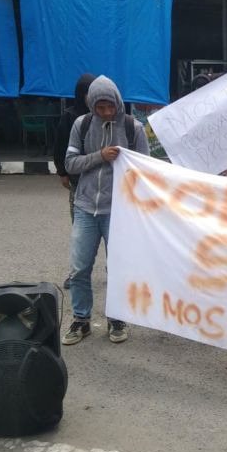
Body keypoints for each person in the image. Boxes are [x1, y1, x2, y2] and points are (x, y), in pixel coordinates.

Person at [63, 75, 150, 345]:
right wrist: (100, 156)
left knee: (118, 268)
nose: (105, 112)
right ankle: (81, 320)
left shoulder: (132, 126)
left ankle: (117, 319)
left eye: (109, 106)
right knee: (79, 268)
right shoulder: (83, 123)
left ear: (117, 102)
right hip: (86, 206)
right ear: (91, 105)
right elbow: (70, 163)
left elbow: (146, 169)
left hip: (118, 211)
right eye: (100, 107)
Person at [53, 73, 96, 289]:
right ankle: (77, 273)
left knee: (112, 231)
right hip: (79, 182)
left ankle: (115, 269)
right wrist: (62, 172)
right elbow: (60, 146)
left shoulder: (104, 115)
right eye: (90, 92)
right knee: (80, 230)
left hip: (105, 184)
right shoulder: (70, 117)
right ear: (82, 94)